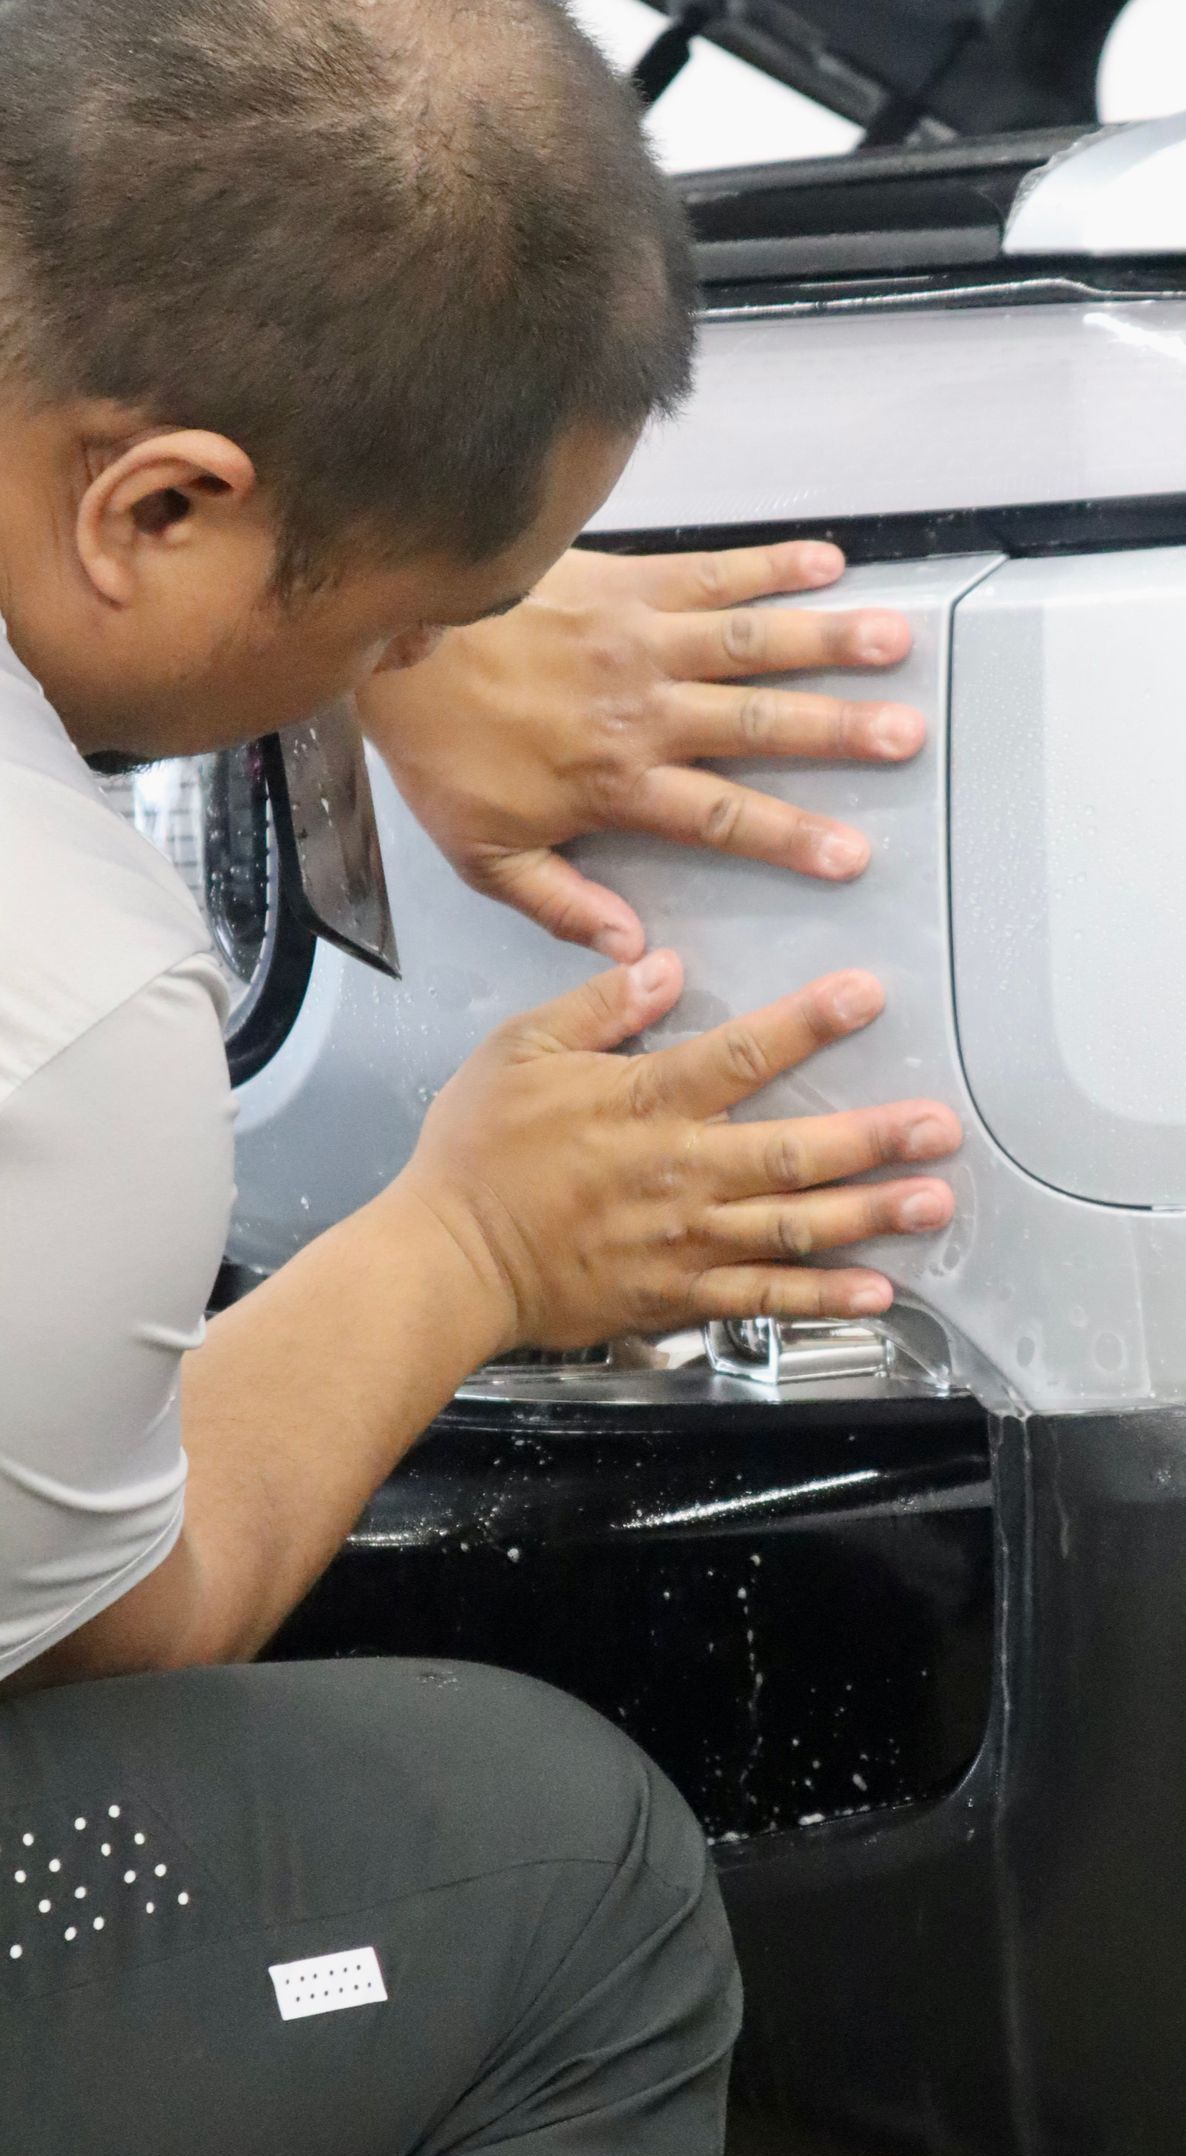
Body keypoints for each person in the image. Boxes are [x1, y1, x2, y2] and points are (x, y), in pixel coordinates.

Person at [0, 0, 964, 2147]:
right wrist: (463, 1241)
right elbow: (85, 1658)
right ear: (158, 506)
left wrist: (336, 621)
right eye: (419, 626)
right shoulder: (65, 1001)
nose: (423, 684)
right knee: (552, 1869)